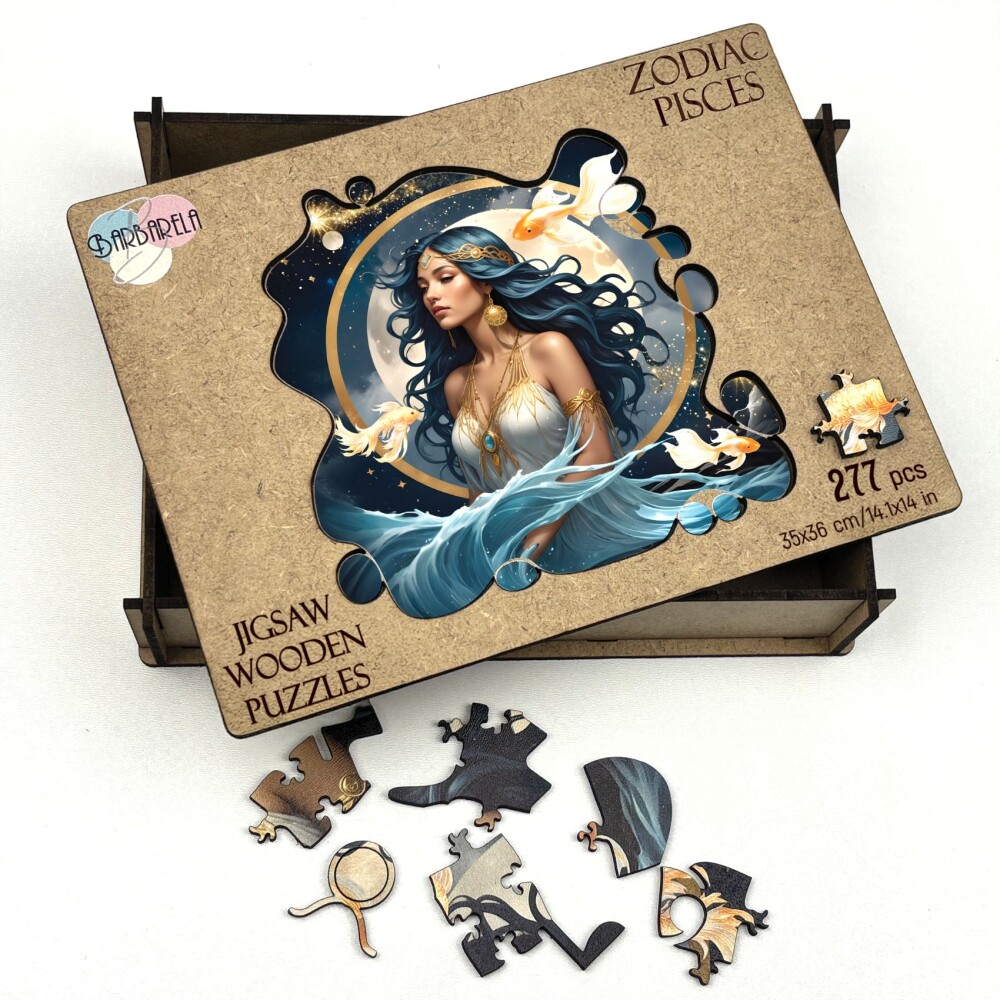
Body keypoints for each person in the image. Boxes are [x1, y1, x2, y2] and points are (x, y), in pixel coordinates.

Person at [375, 225, 662, 563]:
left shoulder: (549, 349)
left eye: (445, 278)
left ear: (485, 282)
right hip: (508, 549)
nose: (431, 296)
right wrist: (475, 555)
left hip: (590, 535)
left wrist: (529, 549)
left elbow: (597, 455)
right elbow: (480, 492)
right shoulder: (456, 384)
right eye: (424, 287)